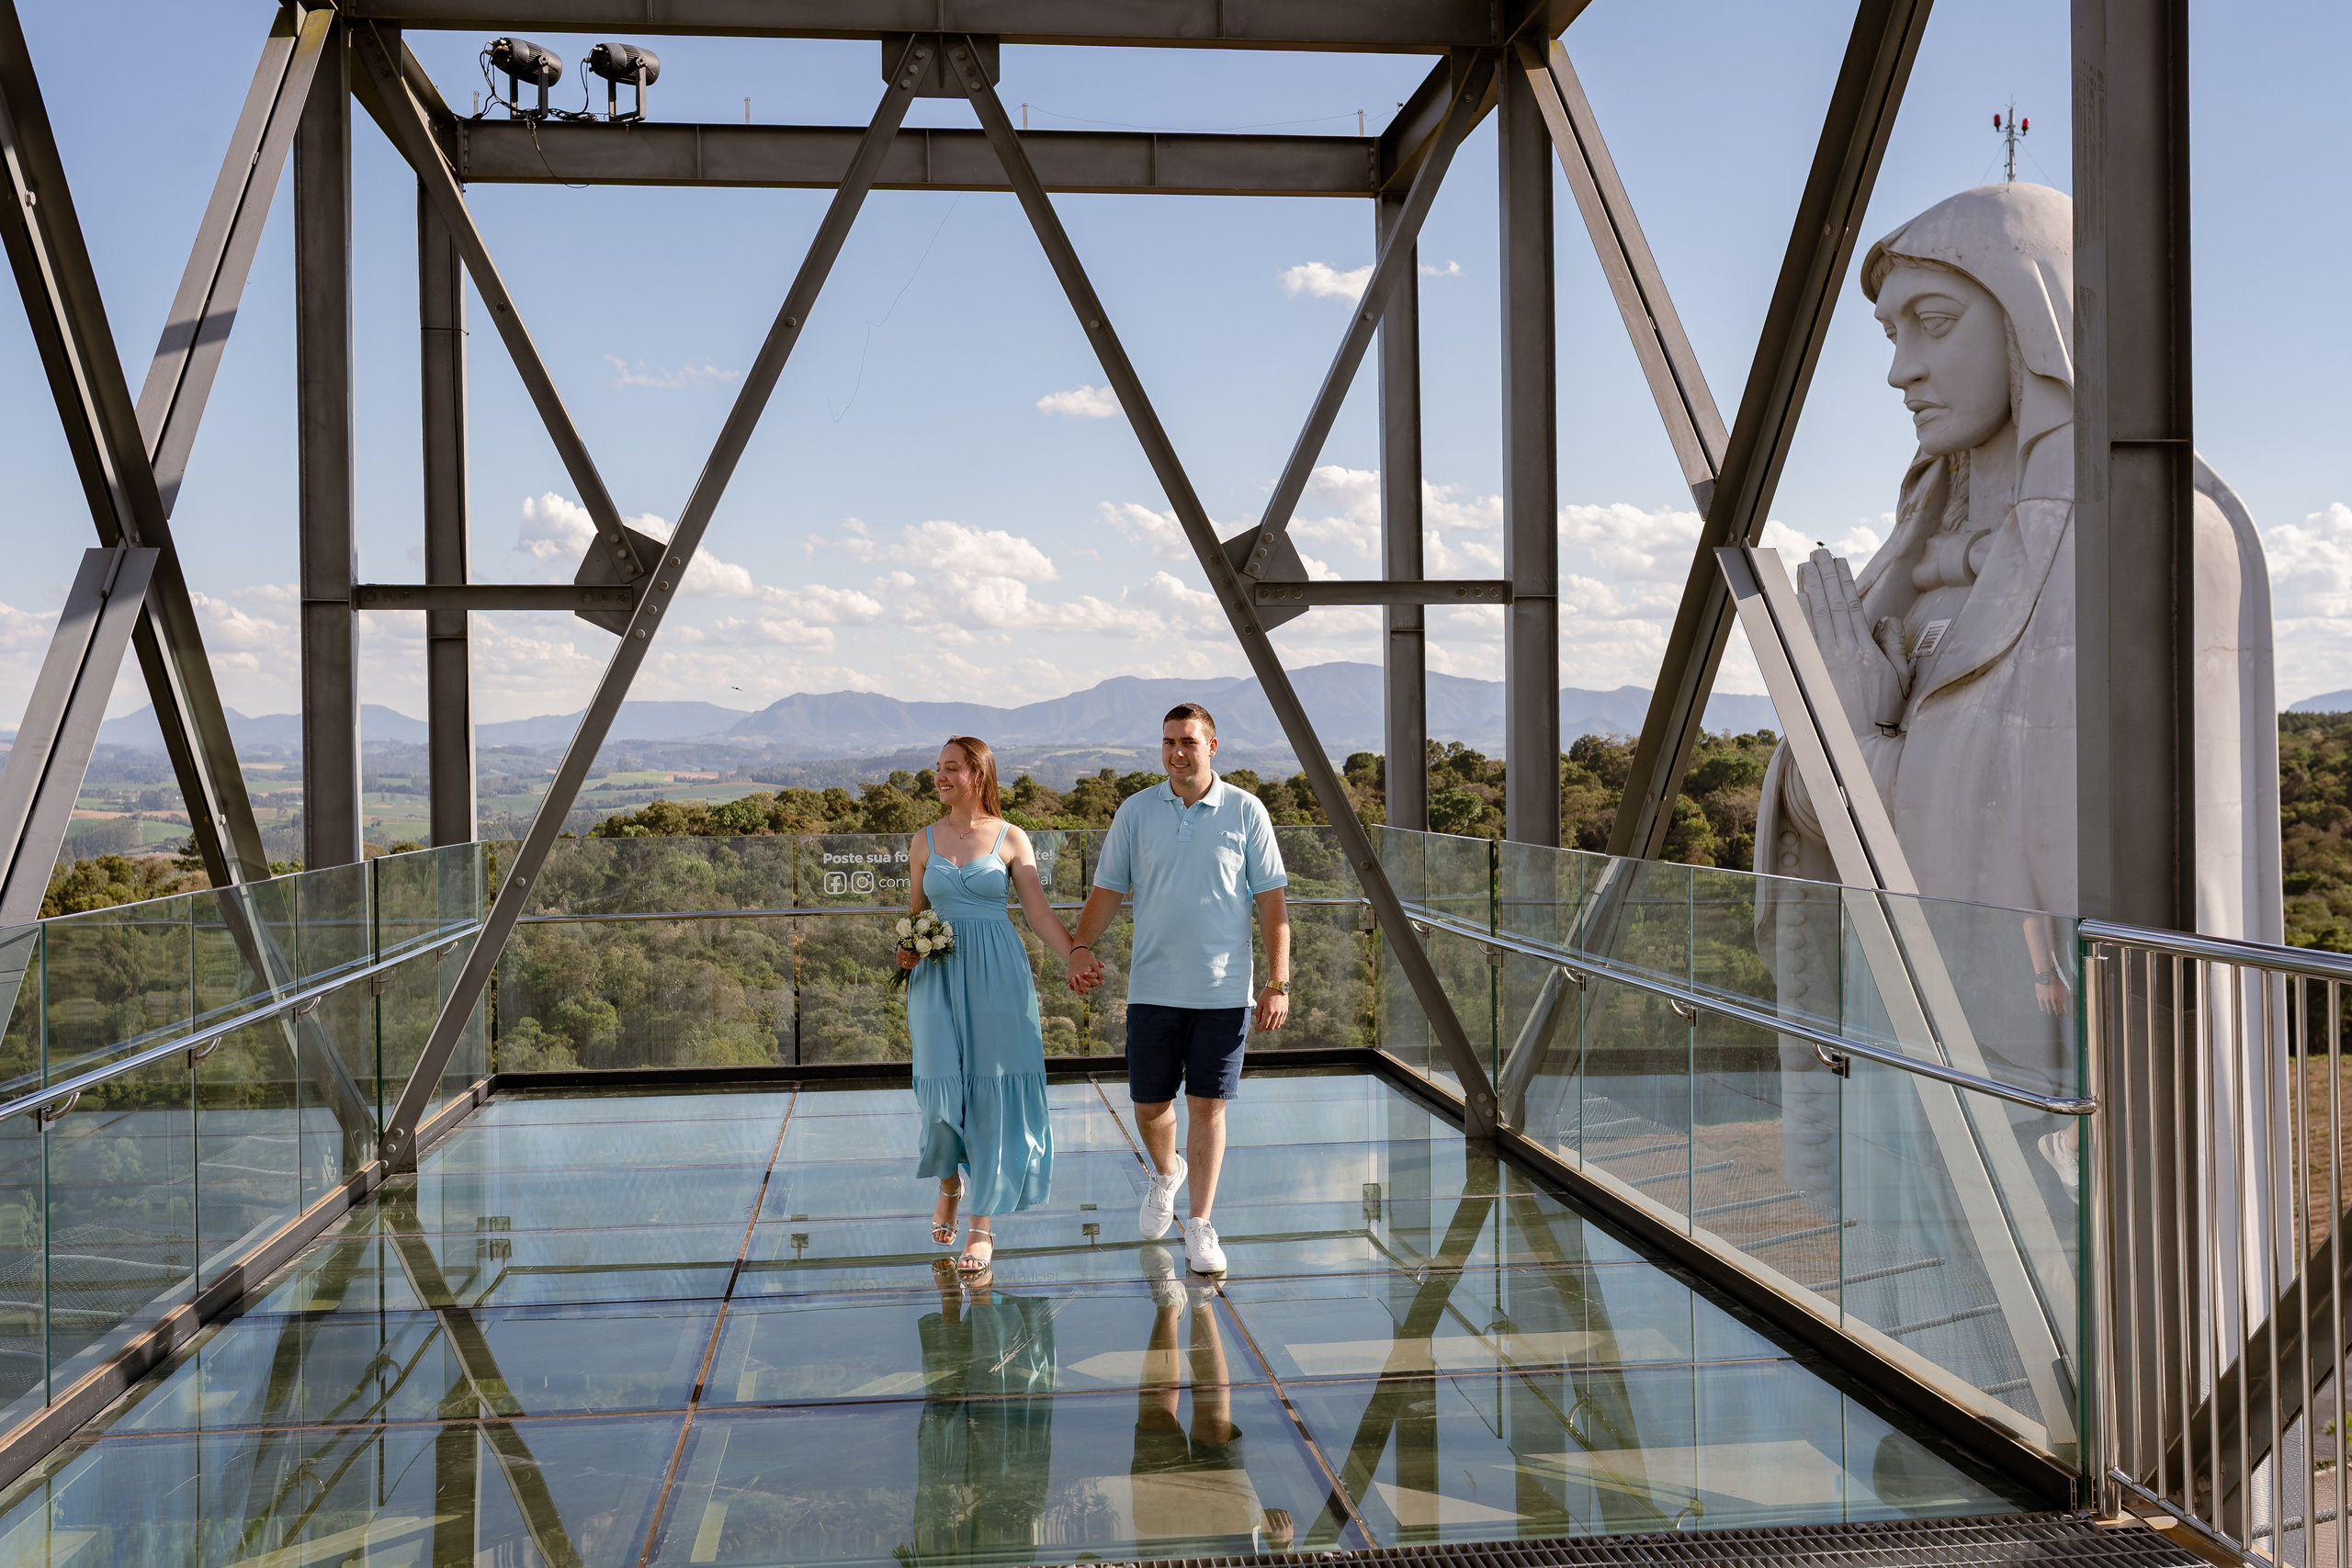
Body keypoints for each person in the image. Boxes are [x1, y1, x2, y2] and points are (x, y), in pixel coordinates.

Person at [1067, 705, 1289, 1275]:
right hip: (1153, 987)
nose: (1176, 752)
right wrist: (1079, 947)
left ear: (1212, 745)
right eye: (1167, 742)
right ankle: (1165, 1175)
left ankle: (1200, 1225)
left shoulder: (1246, 811)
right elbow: (1108, 890)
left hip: (1222, 993)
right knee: (1149, 1106)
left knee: (1208, 1107)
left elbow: (1271, 905)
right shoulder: (1136, 812)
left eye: (1187, 741)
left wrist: (1277, 983)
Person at [905, 736, 1090, 1280]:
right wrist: (906, 949)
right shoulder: (922, 840)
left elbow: (1037, 914)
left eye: (952, 768)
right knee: (939, 1093)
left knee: (991, 1093)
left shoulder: (1011, 838)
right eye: (937, 767)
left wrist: (1075, 951)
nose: (940, 776)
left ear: (978, 773)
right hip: (937, 978)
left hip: (997, 975)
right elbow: (916, 917)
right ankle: (948, 1184)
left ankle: (981, 1226)